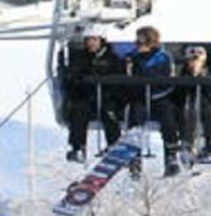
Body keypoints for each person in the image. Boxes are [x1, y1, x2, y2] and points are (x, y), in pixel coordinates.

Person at [61, 28, 126, 162]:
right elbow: (73, 77)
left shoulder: (113, 59)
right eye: (88, 40)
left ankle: (114, 145)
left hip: (107, 97)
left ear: (101, 41)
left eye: (94, 40)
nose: (91, 43)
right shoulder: (80, 58)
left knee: (109, 112)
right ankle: (78, 147)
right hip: (86, 96)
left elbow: (120, 80)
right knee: (79, 110)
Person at [123, 26, 174, 172]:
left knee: (168, 118)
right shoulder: (132, 57)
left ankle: (170, 155)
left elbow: (168, 76)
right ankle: (134, 157)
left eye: (141, 42)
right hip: (140, 97)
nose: (138, 45)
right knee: (135, 116)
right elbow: (129, 76)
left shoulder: (163, 57)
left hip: (159, 95)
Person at [159, 45, 208, 175]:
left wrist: (198, 74)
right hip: (181, 108)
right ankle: (175, 152)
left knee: (195, 106)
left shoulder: (208, 72)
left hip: (205, 107)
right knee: (178, 110)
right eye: (191, 60)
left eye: (197, 60)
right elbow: (176, 93)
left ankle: (190, 147)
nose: (194, 63)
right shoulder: (180, 73)